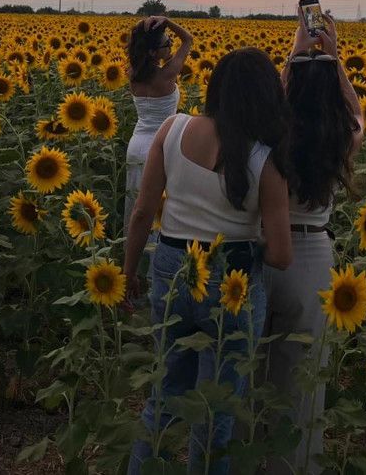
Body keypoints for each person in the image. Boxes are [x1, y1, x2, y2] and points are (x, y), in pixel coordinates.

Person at [124, 47, 293, 475]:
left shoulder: (172, 128)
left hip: (172, 268)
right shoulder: (266, 161)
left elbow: (143, 212)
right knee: (216, 411)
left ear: (215, 87)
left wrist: (128, 272)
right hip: (232, 282)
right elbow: (281, 255)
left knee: (163, 398)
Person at [262, 13, 364, 475]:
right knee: (302, 375)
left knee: (255, 367)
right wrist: (334, 59)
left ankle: (251, 460)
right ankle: (297, 464)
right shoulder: (342, 135)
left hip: (263, 250)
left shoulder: (272, 136)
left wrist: (296, 56)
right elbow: (356, 110)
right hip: (312, 256)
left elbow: (274, 102)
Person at [124, 16, 193, 232]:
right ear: (153, 53)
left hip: (136, 145)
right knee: (159, 208)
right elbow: (188, 40)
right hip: (163, 146)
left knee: (137, 203)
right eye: (166, 43)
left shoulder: (133, 74)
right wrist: (167, 21)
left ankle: (133, 249)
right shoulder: (168, 74)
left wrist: (148, 30)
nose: (171, 44)